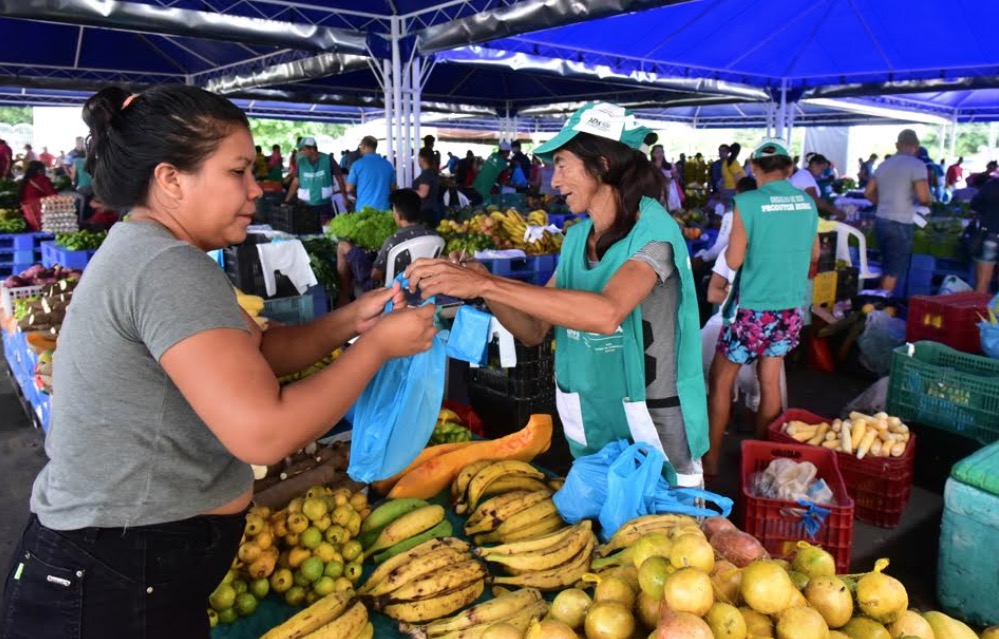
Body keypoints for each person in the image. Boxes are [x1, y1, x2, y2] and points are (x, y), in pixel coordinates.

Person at [0, 85, 436, 639]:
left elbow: (257, 353)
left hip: (118, 568)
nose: (258, 189)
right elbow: (263, 435)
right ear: (170, 180)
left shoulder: (157, 250)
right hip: (113, 581)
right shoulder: (165, 267)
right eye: (239, 172)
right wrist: (375, 349)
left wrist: (352, 321)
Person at [406, 102, 709, 487]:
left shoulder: (655, 234)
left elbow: (607, 313)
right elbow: (533, 330)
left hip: (657, 430)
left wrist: (486, 285)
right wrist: (484, 284)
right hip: (595, 424)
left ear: (602, 165)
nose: (554, 181)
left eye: (563, 165)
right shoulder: (578, 239)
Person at [705, 139, 819, 476]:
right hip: (788, 309)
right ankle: (758, 457)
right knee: (769, 380)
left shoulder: (748, 202)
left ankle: (710, 461)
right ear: (789, 168)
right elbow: (814, 256)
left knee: (722, 380)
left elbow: (735, 258)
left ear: (754, 168)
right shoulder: (807, 203)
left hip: (751, 309)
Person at [336, 188, 437, 306]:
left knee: (344, 247)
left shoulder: (393, 241)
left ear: (398, 216)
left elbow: (375, 276)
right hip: (421, 288)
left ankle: (344, 299)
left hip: (391, 291)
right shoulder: (433, 235)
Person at [864, 129, 931, 294]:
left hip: (881, 220)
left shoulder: (883, 164)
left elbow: (867, 193)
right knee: (894, 270)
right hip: (901, 222)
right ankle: (881, 307)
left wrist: (883, 203)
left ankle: (876, 303)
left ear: (897, 145)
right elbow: (924, 196)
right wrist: (929, 203)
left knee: (887, 265)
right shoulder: (917, 165)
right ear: (916, 147)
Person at [694, 176, 757, 266]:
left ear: (738, 193)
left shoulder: (732, 216)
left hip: (740, 267)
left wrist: (702, 258)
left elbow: (719, 247)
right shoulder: (763, 214)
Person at [284, 137, 348, 221]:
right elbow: (295, 182)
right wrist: (286, 201)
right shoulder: (301, 162)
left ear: (310, 149)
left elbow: (340, 179)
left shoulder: (328, 159)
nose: (300, 153)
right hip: (305, 205)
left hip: (324, 205)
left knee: (326, 228)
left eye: (301, 150)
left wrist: (344, 197)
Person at [345, 136, 395, 212]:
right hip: (384, 208)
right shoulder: (388, 165)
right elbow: (393, 188)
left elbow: (348, 188)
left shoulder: (357, 165)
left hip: (364, 209)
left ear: (363, 146)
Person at [791, 154, 845, 220]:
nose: (822, 173)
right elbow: (814, 199)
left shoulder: (805, 174)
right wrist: (836, 211)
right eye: (821, 169)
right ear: (814, 164)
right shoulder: (805, 176)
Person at [970, 176, 999, 293]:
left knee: (982, 283)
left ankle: (979, 310)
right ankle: (995, 311)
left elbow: (974, 205)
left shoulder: (992, 185)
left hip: (991, 234)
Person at [18, 160, 56, 226]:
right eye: (44, 169)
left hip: (28, 212)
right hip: (39, 211)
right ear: (39, 170)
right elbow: (53, 196)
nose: (45, 172)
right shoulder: (42, 179)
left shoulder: (26, 180)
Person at [413, 148, 442, 222]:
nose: (418, 160)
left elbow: (423, 193)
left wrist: (409, 191)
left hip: (425, 212)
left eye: (418, 157)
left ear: (423, 159)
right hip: (431, 210)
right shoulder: (431, 172)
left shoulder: (426, 174)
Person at [651, 144, 682, 212]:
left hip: (671, 191)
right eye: (657, 152)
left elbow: (676, 178)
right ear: (653, 154)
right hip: (657, 192)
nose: (660, 154)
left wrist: (675, 175)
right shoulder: (650, 167)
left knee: (673, 211)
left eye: (662, 152)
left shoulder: (669, 165)